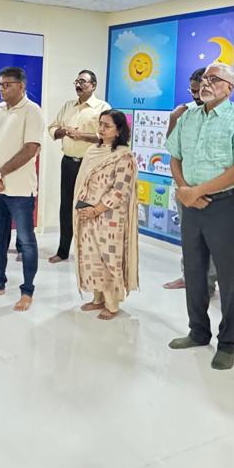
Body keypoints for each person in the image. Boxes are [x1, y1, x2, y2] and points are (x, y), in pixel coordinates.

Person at [165, 63, 234, 370]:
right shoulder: (188, 117)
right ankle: (198, 331)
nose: (206, 83)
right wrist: (185, 190)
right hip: (191, 204)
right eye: (204, 78)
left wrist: (197, 191)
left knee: (228, 276)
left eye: (214, 79)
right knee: (194, 270)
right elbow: (175, 157)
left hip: (225, 205)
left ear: (229, 88)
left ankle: (228, 343)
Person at [0, 67, 46, 311]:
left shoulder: (32, 111)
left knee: (26, 241)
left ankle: (27, 291)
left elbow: (30, 149)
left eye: (7, 84)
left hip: (20, 190)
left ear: (21, 86)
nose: (2, 88)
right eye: (0, 84)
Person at [73, 110, 139, 320]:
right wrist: (85, 208)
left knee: (109, 258)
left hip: (109, 217)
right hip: (87, 212)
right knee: (91, 255)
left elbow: (120, 190)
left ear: (119, 131)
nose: (101, 129)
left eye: (107, 126)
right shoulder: (93, 150)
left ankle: (112, 304)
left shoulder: (124, 156)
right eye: (100, 124)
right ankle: (97, 297)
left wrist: (97, 209)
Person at [46, 69, 110, 265]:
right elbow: (52, 128)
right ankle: (63, 251)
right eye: (76, 81)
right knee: (66, 207)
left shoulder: (103, 107)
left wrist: (81, 135)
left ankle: (90, 253)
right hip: (68, 163)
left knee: (88, 207)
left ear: (93, 85)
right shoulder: (68, 106)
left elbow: (106, 136)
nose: (78, 85)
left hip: (91, 166)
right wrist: (64, 131)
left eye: (83, 81)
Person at [164, 67, 206, 290]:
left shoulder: (226, 115)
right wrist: (173, 118)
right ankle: (189, 277)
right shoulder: (185, 112)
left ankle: (209, 283)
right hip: (184, 186)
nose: (195, 95)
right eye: (192, 91)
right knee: (189, 237)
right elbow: (172, 148)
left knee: (212, 239)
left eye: (199, 90)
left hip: (210, 188)